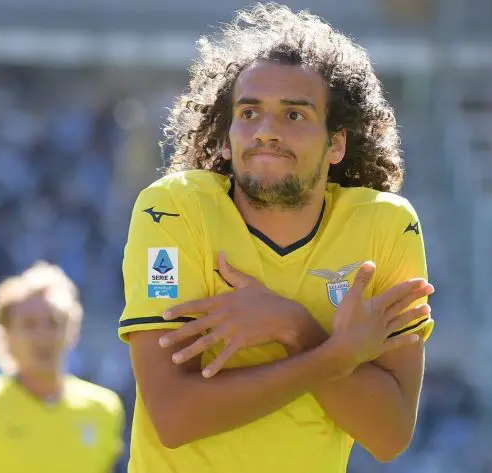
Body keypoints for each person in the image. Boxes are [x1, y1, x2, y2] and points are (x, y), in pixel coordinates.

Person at [119, 4, 435, 473]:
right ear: (225, 137)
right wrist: (334, 357)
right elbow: (175, 415)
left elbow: (389, 434)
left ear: (336, 144)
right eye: (249, 112)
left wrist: (295, 327)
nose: (266, 131)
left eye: (294, 116)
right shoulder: (173, 209)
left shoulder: (386, 226)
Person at [0, 261, 125, 473]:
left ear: (73, 330)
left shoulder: (104, 408)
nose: (43, 336)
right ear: (6, 336)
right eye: (29, 325)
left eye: (53, 323)